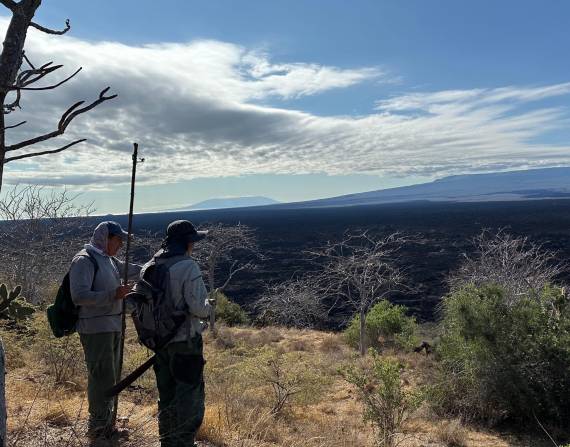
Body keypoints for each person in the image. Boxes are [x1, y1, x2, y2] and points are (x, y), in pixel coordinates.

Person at [139, 219, 214, 447]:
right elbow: (198, 307)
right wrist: (210, 307)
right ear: (187, 242)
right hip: (185, 343)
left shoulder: (149, 265)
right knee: (190, 399)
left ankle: (167, 442)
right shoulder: (187, 266)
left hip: (160, 342)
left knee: (167, 396)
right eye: (193, 241)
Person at [69, 221, 141, 439]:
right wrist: (113, 295)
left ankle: (107, 423)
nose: (120, 245)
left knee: (110, 377)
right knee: (101, 377)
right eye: (118, 240)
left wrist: (155, 266)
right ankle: (99, 426)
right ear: (106, 238)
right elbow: (79, 295)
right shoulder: (84, 260)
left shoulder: (108, 259)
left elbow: (132, 269)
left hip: (112, 326)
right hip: (96, 329)